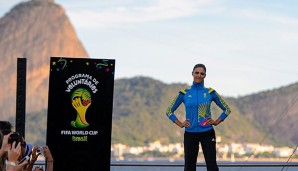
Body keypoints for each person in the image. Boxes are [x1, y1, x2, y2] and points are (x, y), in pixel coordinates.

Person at [166, 64, 231, 171]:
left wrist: (216, 122)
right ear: (192, 74)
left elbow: (227, 109)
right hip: (190, 134)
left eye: (202, 73)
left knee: (212, 167)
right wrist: (180, 124)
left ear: (205, 76)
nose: (199, 75)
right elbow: (169, 111)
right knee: (189, 168)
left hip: (207, 133)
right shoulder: (184, 93)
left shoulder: (210, 92)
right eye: (197, 73)